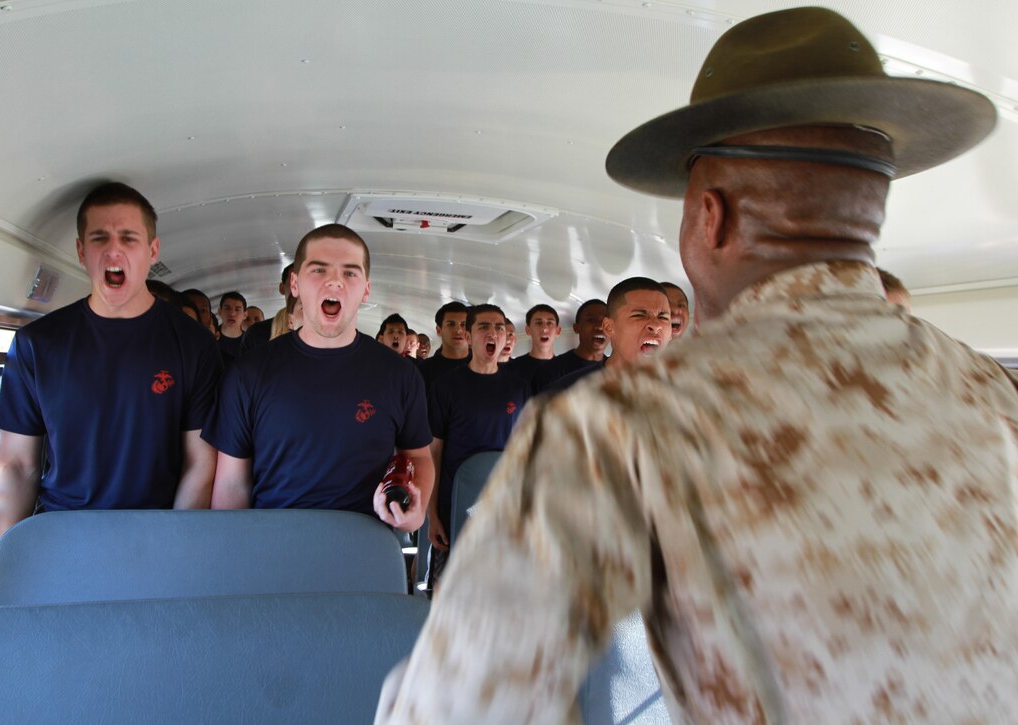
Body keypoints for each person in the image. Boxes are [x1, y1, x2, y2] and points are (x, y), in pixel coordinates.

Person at [377, 7, 1013, 723]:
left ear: (710, 217)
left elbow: (457, 707)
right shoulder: (1001, 396)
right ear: (870, 214)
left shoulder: (619, 428)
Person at [0, 182, 221, 545]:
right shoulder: (38, 344)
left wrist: (174, 547)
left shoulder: (193, 344)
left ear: (152, 250)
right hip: (62, 533)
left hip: (155, 531)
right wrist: (2, 568)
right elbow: (17, 466)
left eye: (129, 238)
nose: (114, 250)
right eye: (100, 239)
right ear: (82, 251)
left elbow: (200, 463)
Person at [205, 224, 431, 533]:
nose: (335, 282)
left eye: (350, 273)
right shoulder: (248, 374)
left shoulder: (400, 375)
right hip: (271, 547)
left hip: (366, 547)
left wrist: (416, 514)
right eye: (319, 270)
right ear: (295, 284)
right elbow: (232, 483)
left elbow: (418, 455)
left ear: (366, 289)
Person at [426, 304, 529, 586]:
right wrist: (432, 514)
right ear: (469, 336)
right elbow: (434, 451)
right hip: (454, 501)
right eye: (483, 327)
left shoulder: (518, 388)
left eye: (499, 327)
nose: (492, 333)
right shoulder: (445, 387)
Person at [544, 277, 671, 394]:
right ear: (609, 327)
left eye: (663, 317)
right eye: (639, 315)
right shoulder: (567, 395)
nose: (656, 325)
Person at [530, 298, 608, 393]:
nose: (599, 327)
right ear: (576, 328)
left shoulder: (616, 371)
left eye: (604, 322)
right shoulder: (550, 372)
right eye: (591, 320)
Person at [241, 262, 300, 353]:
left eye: (305, 282)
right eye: (293, 282)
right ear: (282, 288)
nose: (299, 288)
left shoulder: (325, 332)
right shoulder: (257, 334)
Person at [418, 301, 470, 391]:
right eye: (451, 324)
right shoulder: (424, 371)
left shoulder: (484, 366)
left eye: (463, 325)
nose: (458, 330)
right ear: (439, 330)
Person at [505, 304, 561, 384]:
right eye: (538, 323)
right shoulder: (511, 369)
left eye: (549, 323)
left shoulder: (566, 370)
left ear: (558, 331)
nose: (544, 329)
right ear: (528, 330)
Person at [215, 291, 247, 365]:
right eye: (227, 308)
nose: (232, 314)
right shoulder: (211, 337)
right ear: (220, 312)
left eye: (237, 309)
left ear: (245, 314)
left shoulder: (248, 342)